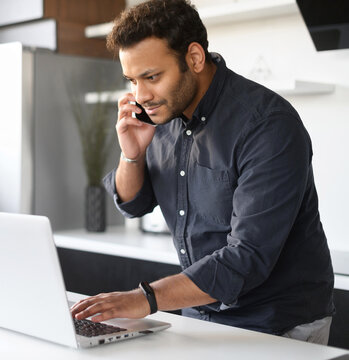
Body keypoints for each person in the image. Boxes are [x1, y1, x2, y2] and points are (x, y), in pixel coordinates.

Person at [70, 0, 335, 345]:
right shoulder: (163, 114)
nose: (141, 95)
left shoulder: (268, 125)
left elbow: (247, 257)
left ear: (194, 58)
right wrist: (131, 155)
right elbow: (133, 204)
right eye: (133, 80)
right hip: (201, 315)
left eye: (151, 77)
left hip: (280, 322)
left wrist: (145, 298)